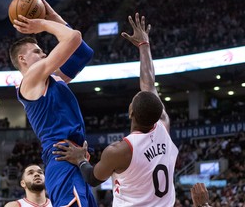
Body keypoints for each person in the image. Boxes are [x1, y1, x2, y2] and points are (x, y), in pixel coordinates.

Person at [53, 13, 179, 206]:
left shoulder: (120, 150)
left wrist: (80, 159)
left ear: (130, 113)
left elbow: (93, 178)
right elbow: (149, 85)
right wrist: (144, 46)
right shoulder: (163, 126)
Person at [8, 0, 97, 207]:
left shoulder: (51, 78)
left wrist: (52, 15)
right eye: (37, 51)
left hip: (72, 156)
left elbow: (83, 52)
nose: (44, 53)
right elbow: (73, 37)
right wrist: (42, 24)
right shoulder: (31, 79)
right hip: (62, 156)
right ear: (22, 59)